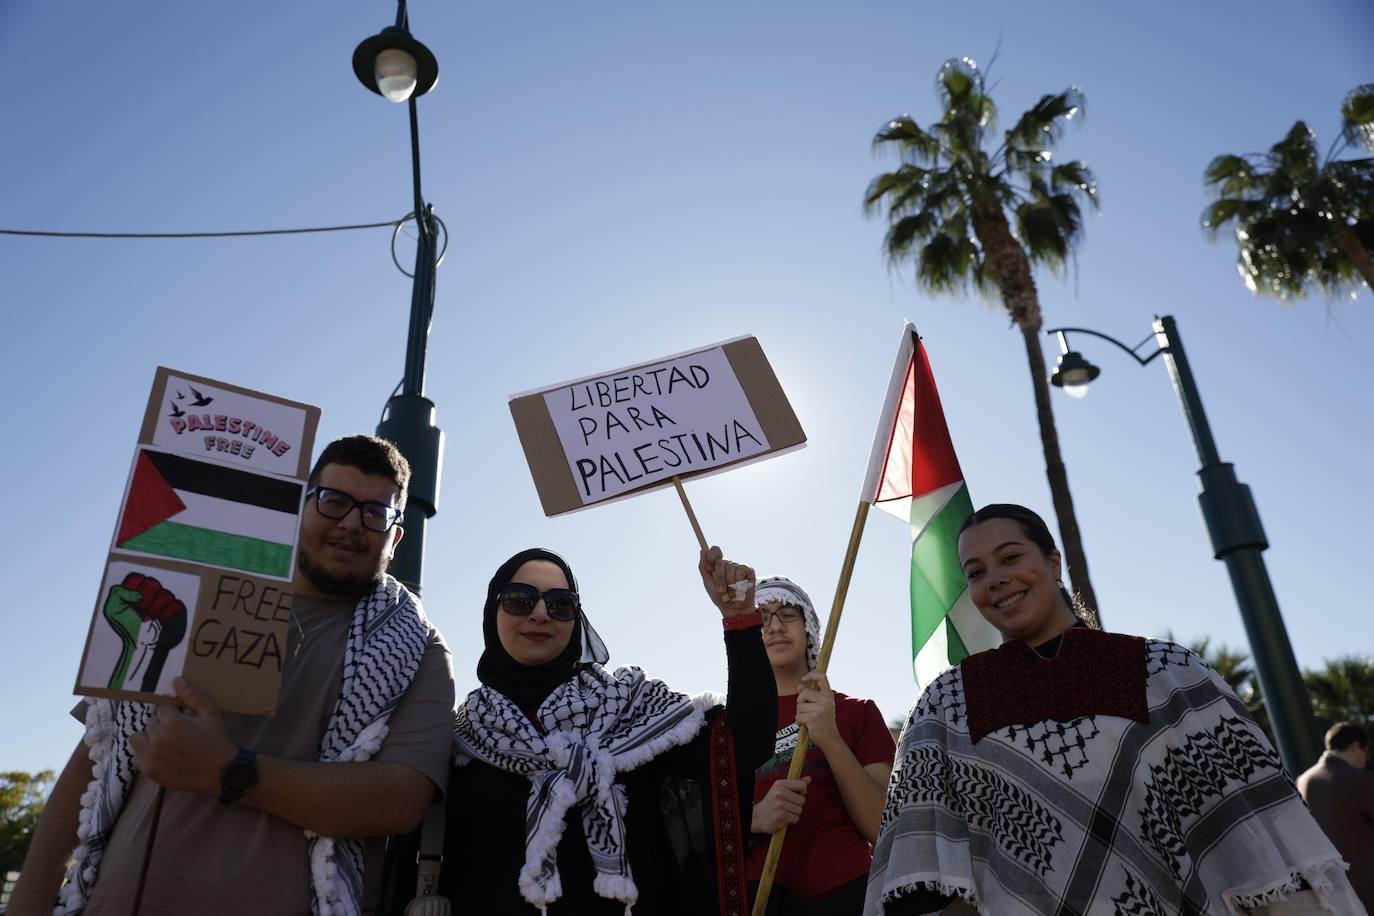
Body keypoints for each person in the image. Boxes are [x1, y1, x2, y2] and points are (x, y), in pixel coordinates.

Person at [10, 435, 455, 916]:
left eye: (375, 513)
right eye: (334, 502)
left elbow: (398, 800)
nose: (350, 523)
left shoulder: (418, 650)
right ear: (300, 507)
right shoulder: (187, 596)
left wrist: (230, 771)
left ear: (396, 535)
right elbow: (93, 765)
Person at [865, 503, 1365, 915]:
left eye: (1010, 557)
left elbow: (1252, 841)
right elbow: (924, 872)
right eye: (976, 572)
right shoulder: (945, 707)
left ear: (1054, 562)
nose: (995, 579)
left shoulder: (1166, 672)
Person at [383, 545, 775, 915]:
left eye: (560, 605)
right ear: (492, 612)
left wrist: (740, 620)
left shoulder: (632, 709)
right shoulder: (457, 739)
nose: (540, 614)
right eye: (520, 599)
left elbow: (745, 743)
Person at [747, 576, 894, 914]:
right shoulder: (728, 727)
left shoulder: (858, 712)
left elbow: (882, 828)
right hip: (760, 899)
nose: (775, 626)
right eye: (763, 618)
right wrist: (752, 818)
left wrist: (829, 737)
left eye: (787, 614)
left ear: (809, 628)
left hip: (849, 895)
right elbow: (702, 832)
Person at [1298, 721, 1374, 908]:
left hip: (1328, 892)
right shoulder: (1359, 779)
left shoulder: (1302, 781)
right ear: (1356, 747)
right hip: (1367, 886)